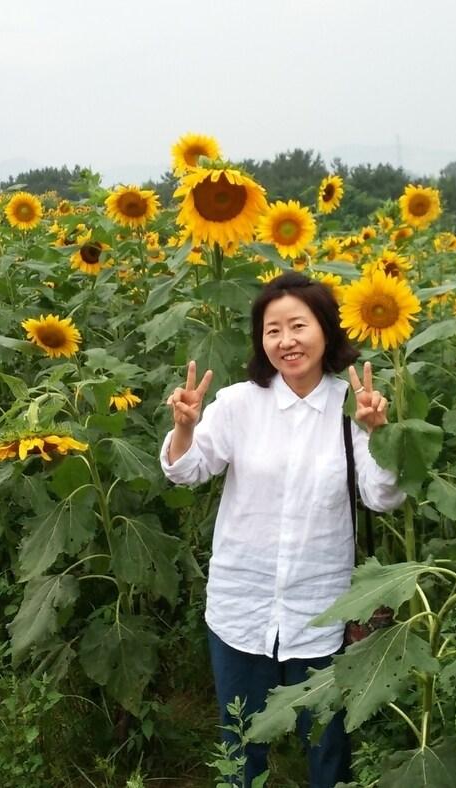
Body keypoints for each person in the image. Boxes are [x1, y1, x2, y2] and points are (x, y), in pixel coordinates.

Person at [160, 272, 406, 788]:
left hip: (319, 606)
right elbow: (187, 470)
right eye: (273, 330)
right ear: (261, 340)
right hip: (240, 603)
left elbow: (383, 496)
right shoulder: (237, 404)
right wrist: (184, 427)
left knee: (326, 741)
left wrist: (378, 433)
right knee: (241, 738)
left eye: (299, 325)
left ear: (326, 330)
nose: (286, 341)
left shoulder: (350, 407)